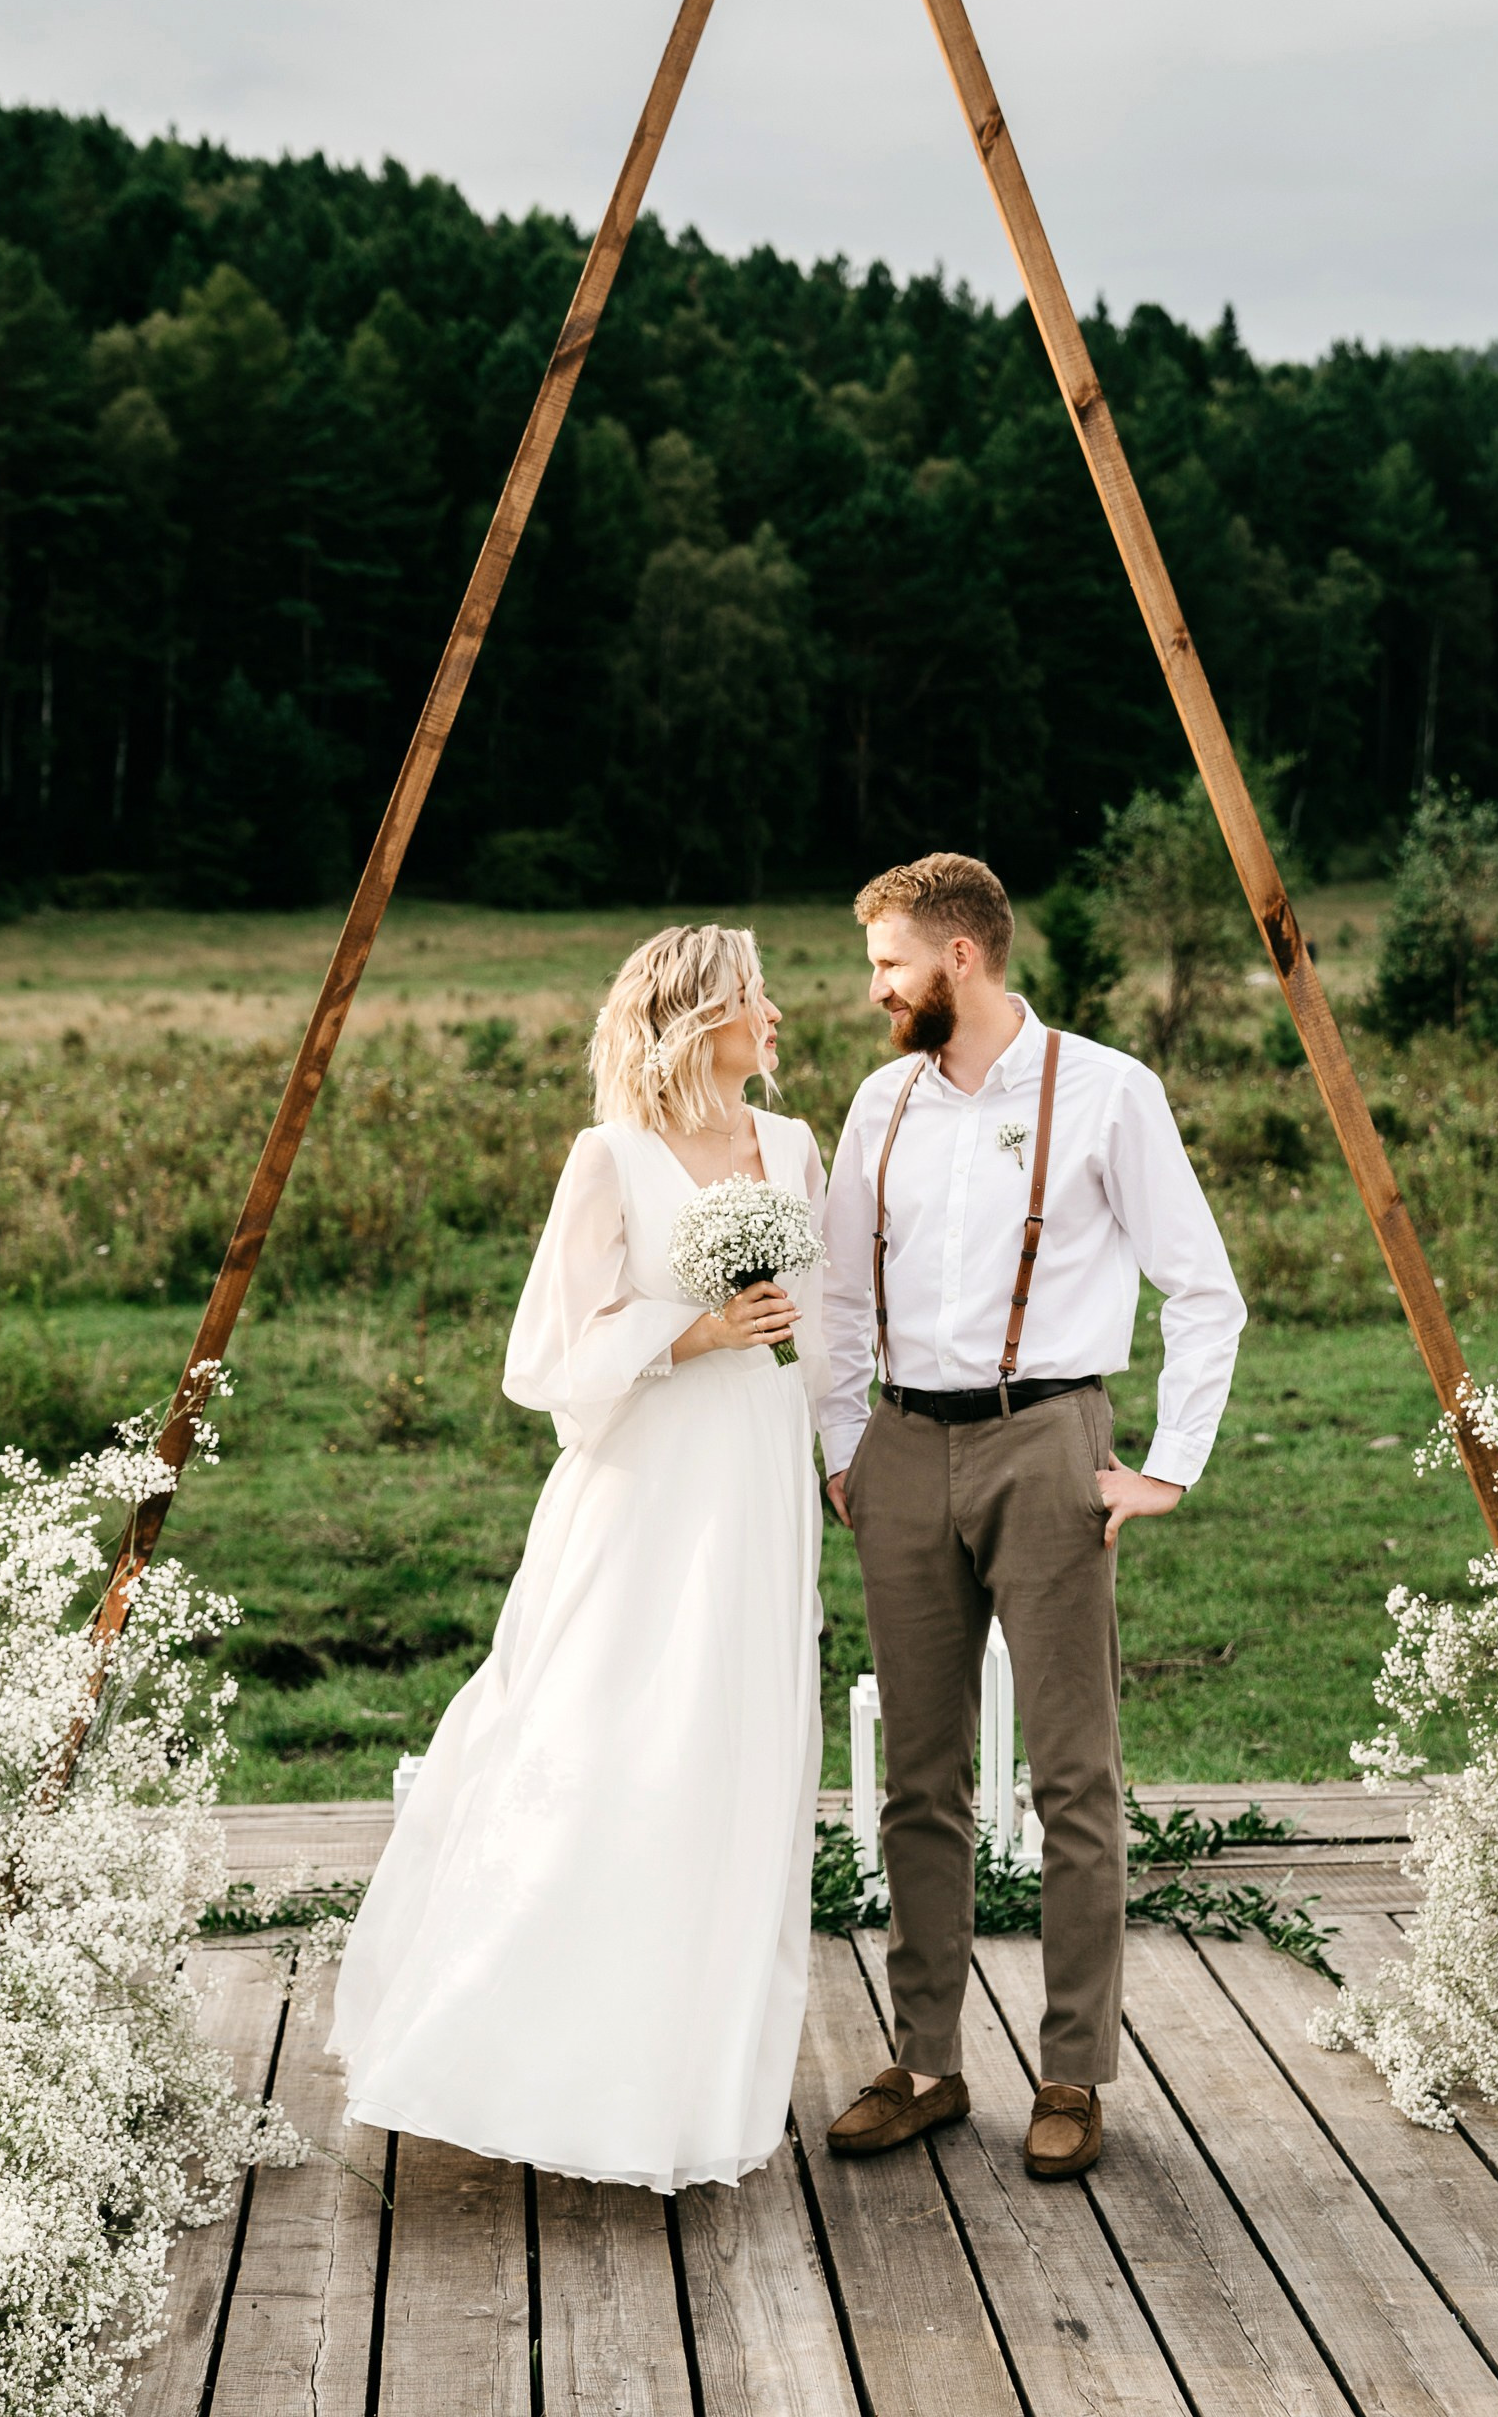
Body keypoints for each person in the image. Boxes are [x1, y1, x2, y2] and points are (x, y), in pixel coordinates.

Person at [329, 924, 827, 2193]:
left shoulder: (794, 1148)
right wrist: (693, 1330)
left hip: (757, 1476)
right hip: (642, 1487)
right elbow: (540, 1360)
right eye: (755, 997)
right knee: (606, 1740)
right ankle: (517, 2049)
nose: (776, 1014)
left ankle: (693, 2083)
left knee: (740, 1757)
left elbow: (819, 1334)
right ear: (699, 1016)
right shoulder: (607, 1159)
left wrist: (837, 1442)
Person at [818, 852, 1244, 2181]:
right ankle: (927, 2063)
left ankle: (1073, 2074)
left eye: (890, 964)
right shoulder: (881, 1102)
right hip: (901, 1448)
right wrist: (844, 1444)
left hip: (1049, 1438)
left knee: (1072, 1776)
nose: (876, 989)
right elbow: (838, 1295)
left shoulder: (1109, 1092)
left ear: (961, 958)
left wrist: (1164, 1464)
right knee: (917, 1781)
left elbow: (1203, 1288)